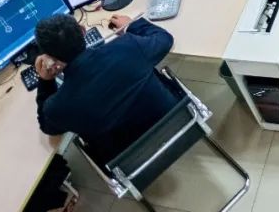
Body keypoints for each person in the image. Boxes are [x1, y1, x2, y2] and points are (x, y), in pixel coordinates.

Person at [33, 13, 176, 166]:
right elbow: (165, 39)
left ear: (49, 57)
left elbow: (47, 126)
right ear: (82, 31)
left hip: (131, 161)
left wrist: (46, 81)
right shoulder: (129, 45)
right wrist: (131, 25)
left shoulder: (58, 106)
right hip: (175, 122)